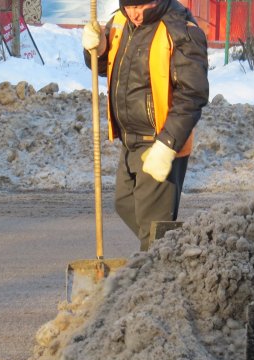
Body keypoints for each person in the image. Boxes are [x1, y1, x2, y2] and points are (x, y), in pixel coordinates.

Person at [82, 0, 209, 251]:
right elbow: (104, 65)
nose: (135, 14)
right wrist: (96, 49)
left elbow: (192, 95)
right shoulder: (120, 21)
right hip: (129, 138)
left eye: (141, 7)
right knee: (125, 202)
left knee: (153, 229)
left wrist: (167, 144)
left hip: (159, 141)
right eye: (129, 7)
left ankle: (157, 275)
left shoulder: (180, 30)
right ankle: (175, 252)